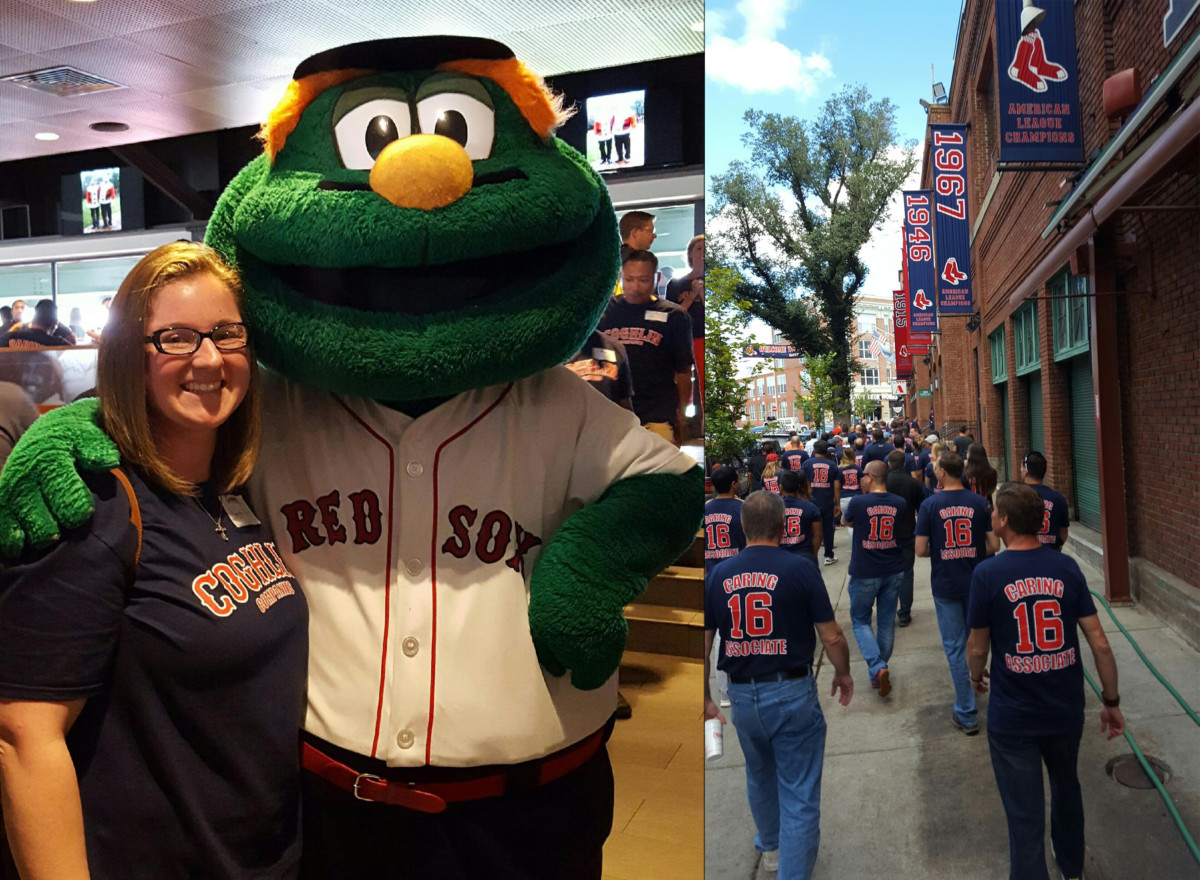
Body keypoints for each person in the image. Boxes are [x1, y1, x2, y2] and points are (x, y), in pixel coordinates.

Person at [0, 241, 307, 878]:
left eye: (226, 333)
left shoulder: (231, 487)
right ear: (127, 358)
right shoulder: (96, 502)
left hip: (263, 858)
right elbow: (23, 739)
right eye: (175, 338)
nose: (208, 358)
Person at [967, 482, 1125, 880]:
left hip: (1013, 716)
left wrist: (974, 675)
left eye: (993, 512)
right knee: (1066, 787)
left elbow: (976, 645)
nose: (990, 516)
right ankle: (1072, 869)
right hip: (1064, 708)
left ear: (1004, 521)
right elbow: (1100, 643)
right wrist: (1111, 700)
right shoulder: (1066, 567)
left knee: (1024, 813)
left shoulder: (987, 574)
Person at [703, 491, 853, 879]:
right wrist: (843, 672)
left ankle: (771, 847)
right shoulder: (800, 569)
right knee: (799, 791)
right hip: (790, 691)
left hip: (742, 694)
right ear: (784, 527)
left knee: (759, 772)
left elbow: (702, 646)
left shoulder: (719, 574)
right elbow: (832, 636)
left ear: (742, 526)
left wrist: (706, 697)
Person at [915, 451, 998, 735]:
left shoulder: (930, 505)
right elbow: (993, 545)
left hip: (946, 583)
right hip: (975, 581)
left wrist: (944, 551)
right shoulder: (979, 502)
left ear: (940, 472)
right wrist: (970, 551)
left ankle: (966, 710)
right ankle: (976, 684)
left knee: (954, 645)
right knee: (977, 640)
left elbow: (920, 549)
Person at [597, 249, 692, 445]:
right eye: (629, 279)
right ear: (621, 276)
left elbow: (683, 370)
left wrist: (682, 416)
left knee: (660, 470)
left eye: (643, 280)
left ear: (656, 278)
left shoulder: (674, 316)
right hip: (609, 414)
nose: (635, 287)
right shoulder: (603, 312)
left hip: (657, 413)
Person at [843, 460, 907, 696]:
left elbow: (845, 521)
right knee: (886, 622)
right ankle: (878, 673)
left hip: (865, 570)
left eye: (862, 475)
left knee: (860, 621)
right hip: (893, 569)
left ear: (869, 477)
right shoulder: (899, 503)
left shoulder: (859, 502)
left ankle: (878, 667)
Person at [886, 449, 924, 628]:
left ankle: (888, 611)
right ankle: (904, 613)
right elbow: (920, 509)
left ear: (888, 464)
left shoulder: (883, 482)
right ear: (904, 464)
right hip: (908, 531)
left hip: (886, 534)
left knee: (887, 573)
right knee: (907, 574)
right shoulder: (913, 483)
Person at [665, 234, 704, 402]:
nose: (703, 253)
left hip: (703, 339)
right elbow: (672, 316)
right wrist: (691, 296)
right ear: (690, 254)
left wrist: (701, 293)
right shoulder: (675, 284)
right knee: (680, 384)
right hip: (682, 340)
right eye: (699, 249)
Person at [565, 328, 634, 411]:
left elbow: (624, 399)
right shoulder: (553, 348)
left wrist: (633, 422)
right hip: (565, 419)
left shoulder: (615, 347)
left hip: (605, 420)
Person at [802, 440, 841, 566]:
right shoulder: (832, 465)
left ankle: (809, 556)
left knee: (808, 529)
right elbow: (836, 486)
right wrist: (837, 503)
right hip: (826, 501)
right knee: (828, 529)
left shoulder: (807, 463)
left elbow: (802, 482)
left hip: (810, 501)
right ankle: (828, 555)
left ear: (814, 450)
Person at [1022, 450, 1069, 551]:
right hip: (1051, 554)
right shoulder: (1058, 498)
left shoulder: (1016, 496)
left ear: (1025, 471)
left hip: (1025, 554)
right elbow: (1063, 532)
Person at [779, 469, 822, 566]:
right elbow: (818, 535)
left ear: (780, 488)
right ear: (798, 487)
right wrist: (812, 555)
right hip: (804, 553)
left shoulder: (771, 508)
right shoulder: (810, 507)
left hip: (781, 555)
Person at [1, 300, 75, 348]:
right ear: (54, 324)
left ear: (33, 320)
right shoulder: (58, 344)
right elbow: (73, 343)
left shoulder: (10, 337)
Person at [964, 442, 999, 511]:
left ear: (971, 455)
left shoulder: (965, 473)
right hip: (986, 506)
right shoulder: (991, 472)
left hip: (969, 508)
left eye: (967, 453)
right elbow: (992, 490)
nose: (966, 455)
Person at [837, 446, 862, 527]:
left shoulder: (839, 470)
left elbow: (838, 485)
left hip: (844, 497)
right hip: (857, 496)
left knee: (849, 523)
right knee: (857, 522)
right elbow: (862, 483)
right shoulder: (858, 468)